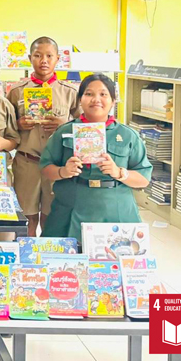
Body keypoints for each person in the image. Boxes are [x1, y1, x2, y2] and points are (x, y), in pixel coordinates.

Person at [41, 74, 152, 240]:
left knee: (116, 258)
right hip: (70, 207)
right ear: (80, 100)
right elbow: (45, 168)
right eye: (89, 94)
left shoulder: (127, 135)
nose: (96, 99)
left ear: (113, 100)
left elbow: (143, 178)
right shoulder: (64, 132)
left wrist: (119, 172)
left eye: (103, 94)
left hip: (115, 209)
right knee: (62, 261)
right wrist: (63, 171)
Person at [7, 37, 79, 237]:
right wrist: (19, 124)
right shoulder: (16, 92)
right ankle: (27, 262)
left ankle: (47, 261)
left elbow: (84, 128)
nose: (43, 60)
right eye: (38, 56)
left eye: (49, 56)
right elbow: (5, 126)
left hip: (57, 166)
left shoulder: (70, 93)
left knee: (51, 216)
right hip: (26, 163)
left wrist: (65, 126)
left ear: (58, 59)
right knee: (26, 217)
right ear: (30, 58)